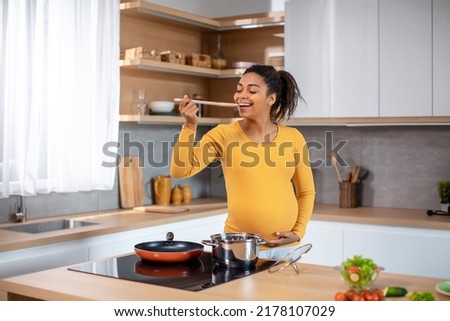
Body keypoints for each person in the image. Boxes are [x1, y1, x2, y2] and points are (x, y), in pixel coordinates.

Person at [170, 65, 315, 259]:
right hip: (239, 249)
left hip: (285, 249)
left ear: (271, 99)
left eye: (252, 90)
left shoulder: (294, 137)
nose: (241, 96)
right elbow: (180, 171)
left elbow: (306, 191)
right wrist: (189, 126)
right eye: (239, 89)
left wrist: (298, 232)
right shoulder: (223, 135)